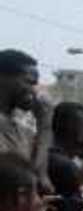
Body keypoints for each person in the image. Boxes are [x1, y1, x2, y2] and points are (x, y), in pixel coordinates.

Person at [0, 49, 51, 179]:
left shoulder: (21, 129)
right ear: (4, 78)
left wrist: (44, 124)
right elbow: (27, 176)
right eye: (29, 82)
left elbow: (39, 175)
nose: (34, 91)